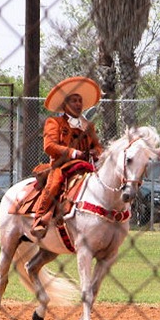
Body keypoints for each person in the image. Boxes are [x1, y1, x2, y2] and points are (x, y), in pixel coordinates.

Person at [30, 76, 104, 239]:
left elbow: (98, 146)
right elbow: (49, 146)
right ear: (64, 105)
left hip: (86, 167)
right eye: (73, 101)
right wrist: (73, 153)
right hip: (61, 166)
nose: (78, 104)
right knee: (55, 182)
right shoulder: (54, 122)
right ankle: (39, 220)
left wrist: (96, 152)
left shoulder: (89, 126)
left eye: (79, 101)